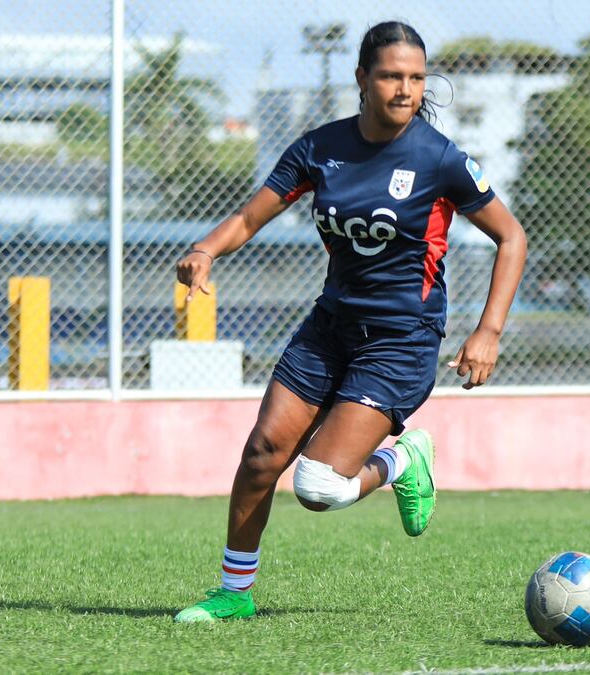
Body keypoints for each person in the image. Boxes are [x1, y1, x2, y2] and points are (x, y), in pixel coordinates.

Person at [172, 20, 527, 622]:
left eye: (416, 78)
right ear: (362, 78)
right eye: (391, 75)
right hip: (330, 327)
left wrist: (487, 331)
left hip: (400, 342)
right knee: (262, 454)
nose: (405, 89)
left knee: (318, 488)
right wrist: (205, 249)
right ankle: (234, 594)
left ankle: (402, 460)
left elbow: (511, 236)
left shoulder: (440, 159)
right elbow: (250, 216)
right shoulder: (320, 146)